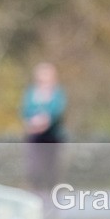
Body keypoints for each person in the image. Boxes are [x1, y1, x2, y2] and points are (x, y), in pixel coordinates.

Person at [21, 62, 66, 190]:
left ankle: (52, 202)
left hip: (52, 138)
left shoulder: (57, 94)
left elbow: (57, 111)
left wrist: (45, 121)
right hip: (35, 139)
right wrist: (32, 123)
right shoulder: (31, 93)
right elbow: (25, 111)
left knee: (52, 172)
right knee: (35, 171)